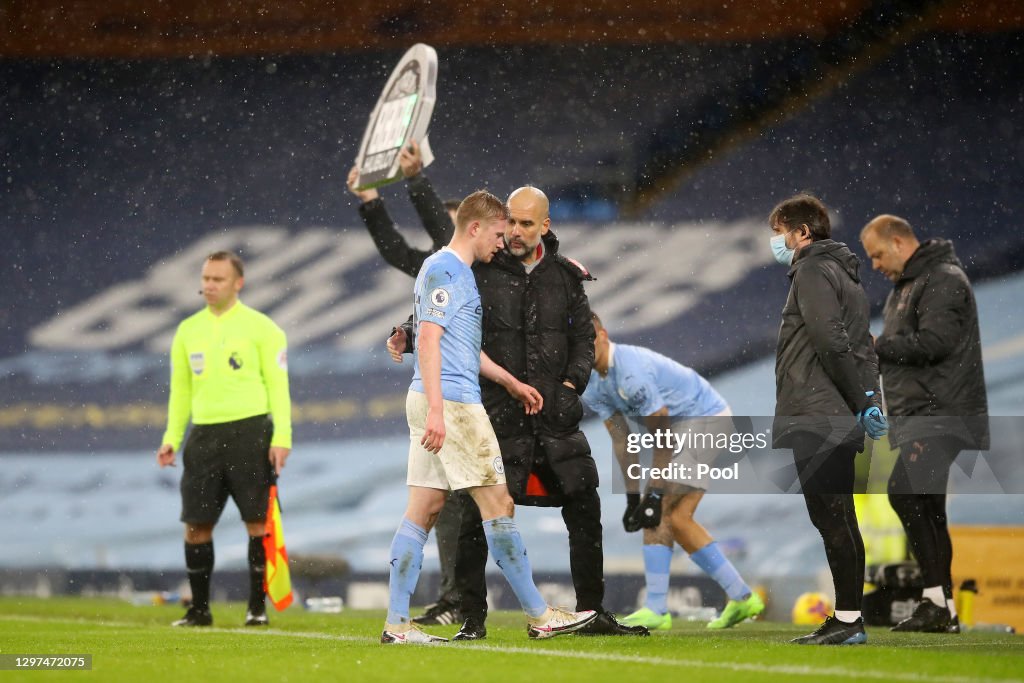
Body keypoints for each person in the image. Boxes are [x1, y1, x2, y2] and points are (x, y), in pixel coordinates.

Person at [388, 187, 646, 639]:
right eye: (499, 229)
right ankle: (538, 616)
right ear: (477, 228)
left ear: (544, 225)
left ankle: (396, 623)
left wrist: (526, 383)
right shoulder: (458, 268)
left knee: (424, 508)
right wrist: (435, 405)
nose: (504, 239)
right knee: (496, 504)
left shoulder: (479, 271)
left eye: (520, 227)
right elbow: (430, 335)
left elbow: (461, 342)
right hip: (458, 405)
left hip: (468, 401)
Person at [583, 312, 764, 631]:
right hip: (688, 428)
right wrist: (631, 497)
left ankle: (656, 608)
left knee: (659, 511)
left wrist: (651, 493)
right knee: (678, 519)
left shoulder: (629, 373)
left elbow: (662, 431)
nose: (583, 348)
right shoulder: (593, 385)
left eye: (589, 339)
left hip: (704, 421)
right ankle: (742, 597)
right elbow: (623, 442)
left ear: (604, 336)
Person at [348, 142, 465, 627]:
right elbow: (398, 250)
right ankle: (457, 599)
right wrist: (371, 200)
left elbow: (438, 232)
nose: (446, 240)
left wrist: (417, 180)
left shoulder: (484, 270)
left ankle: (469, 599)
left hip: (486, 396)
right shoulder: (440, 272)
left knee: (480, 503)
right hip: (446, 397)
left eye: (453, 229)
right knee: (448, 503)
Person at [768, 194, 888, 646]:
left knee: (832, 516)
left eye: (780, 231)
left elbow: (830, 341)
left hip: (819, 413)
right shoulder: (847, 277)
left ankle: (849, 620)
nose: (775, 241)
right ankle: (848, 616)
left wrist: (862, 402)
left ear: (801, 233)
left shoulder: (814, 269)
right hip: (836, 411)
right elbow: (863, 347)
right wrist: (869, 399)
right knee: (838, 516)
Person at [860, 214, 988, 634]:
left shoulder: (942, 278)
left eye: (877, 254)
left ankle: (935, 600)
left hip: (940, 411)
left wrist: (879, 347)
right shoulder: (908, 285)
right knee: (928, 507)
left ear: (898, 243)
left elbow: (937, 342)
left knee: (905, 493)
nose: (875, 264)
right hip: (919, 412)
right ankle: (942, 606)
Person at [156, 251, 292, 628]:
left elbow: (279, 389)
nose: (209, 286)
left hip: (250, 432)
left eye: (218, 279)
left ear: (238, 283)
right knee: (196, 524)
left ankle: (256, 608)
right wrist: (172, 437)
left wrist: (282, 436)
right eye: (206, 278)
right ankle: (199, 610)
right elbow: (180, 392)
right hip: (204, 436)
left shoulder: (263, 328)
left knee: (257, 523)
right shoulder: (188, 330)